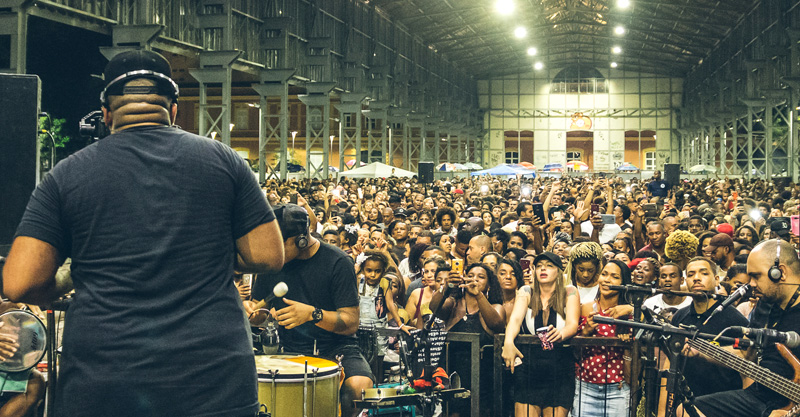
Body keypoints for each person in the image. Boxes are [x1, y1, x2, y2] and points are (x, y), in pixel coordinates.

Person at [2, 50, 285, 417]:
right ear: (174, 110)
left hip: (105, 384)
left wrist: (71, 274)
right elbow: (268, 255)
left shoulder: (66, 175)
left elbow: (20, 283)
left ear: (105, 114)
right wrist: (203, 251)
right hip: (213, 383)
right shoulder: (225, 160)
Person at [248, 204, 372, 417]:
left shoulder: (338, 262)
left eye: (279, 243)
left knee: (359, 386)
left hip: (335, 347)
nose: (273, 249)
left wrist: (312, 314)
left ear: (301, 239)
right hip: (286, 348)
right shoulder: (271, 263)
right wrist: (252, 313)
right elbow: (259, 315)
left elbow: (351, 322)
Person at [684, 240, 800, 416]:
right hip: (761, 394)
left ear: (780, 272)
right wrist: (700, 351)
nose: (751, 284)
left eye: (756, 276)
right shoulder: (765, 305)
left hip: (790, 404)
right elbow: (746, 352)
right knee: (688, 410)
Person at [502, 252, 580, 417]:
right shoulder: (526, 291)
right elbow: (515, 319)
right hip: (530, 366)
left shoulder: (570, 291)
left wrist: (561, 333)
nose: (543, 269)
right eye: (539, 266)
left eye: (549, 265)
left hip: (559, 365)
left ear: (559, 271)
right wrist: (508, 342)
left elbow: (573, 324)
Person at [672, 257, 748, 399]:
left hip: (722, 402)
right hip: (685, 402)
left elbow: (747, 363)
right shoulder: (680, 317)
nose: (696, 278)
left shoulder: (735, 320)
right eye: (690, 274)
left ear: (717, 279)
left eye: (704, 273)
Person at [575, 260, 634, 417]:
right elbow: (574, 351)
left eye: (614, 277)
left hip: (618, 389)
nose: (607, 279)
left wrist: (632, 309)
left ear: (624, 283)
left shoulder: (630, 312)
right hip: (585, 387)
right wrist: (586, 331)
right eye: (604, 274)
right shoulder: (586, 308)